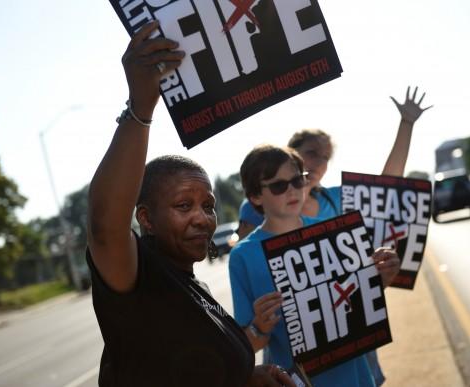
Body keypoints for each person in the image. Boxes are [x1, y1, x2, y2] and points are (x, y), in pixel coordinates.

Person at [86, 20, 295, 387]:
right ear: (146, 219)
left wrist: (250, 377)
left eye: (208, 205)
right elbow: (104, 227)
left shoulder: (190, 283)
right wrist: (140, 105)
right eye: (184, 206)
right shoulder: (139, 279)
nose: (203, 218)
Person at [229, 144, 401, 386]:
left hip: (358, 378)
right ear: (256, 196)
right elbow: (247, 346)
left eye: (297, 181)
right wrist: (260, 326)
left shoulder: (335, 231)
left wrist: (380, 279)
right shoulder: (243, 256)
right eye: (279, 186)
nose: (292, 191)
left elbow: (358, 303)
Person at [236, 86, 433, 240]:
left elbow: (384, 188)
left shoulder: (337, 198)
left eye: (326, 157)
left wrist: (406, 123)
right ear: (291, 154)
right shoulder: (254, 207)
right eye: (312, 152)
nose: (319, 162)